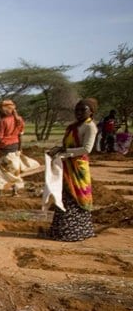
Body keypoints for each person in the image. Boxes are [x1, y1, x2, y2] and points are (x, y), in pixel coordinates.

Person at [45, 99, 99, 242]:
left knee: (76, 198)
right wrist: (58, 150)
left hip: (78, 168)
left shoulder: (90, 127)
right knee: (64, 197)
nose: (79, 113)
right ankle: (60, 231)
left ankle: (76, 232)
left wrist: (64, 151)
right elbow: (67, 146)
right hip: (66, 166)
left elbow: (86, 149)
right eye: (77, 110)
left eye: (83, 110)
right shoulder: (73, 127)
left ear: (91, 112)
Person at [0, 99, 39, 197]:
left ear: (3, 111)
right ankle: (15, 192)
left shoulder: (3, 121)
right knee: (14, 171)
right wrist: (19, 149)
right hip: (14, 149)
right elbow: (20, 136)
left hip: (2, 150)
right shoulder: (19, 120)